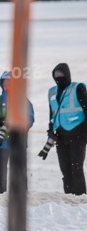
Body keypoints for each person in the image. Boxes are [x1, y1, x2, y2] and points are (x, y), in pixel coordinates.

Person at [0, 70, 35, 194]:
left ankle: (21, 196)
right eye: (5, 83)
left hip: (18, 142)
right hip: (0, 143)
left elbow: (30, 118)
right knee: (0, 174)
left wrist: (16, 124)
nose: (7, 86)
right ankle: (0, 196)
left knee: (18, 172)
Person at [47, 63, 87, 195]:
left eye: (61, 74)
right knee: (65, 169)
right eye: (56, 74)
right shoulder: (52, 91)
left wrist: (85, 132)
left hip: (77, 135)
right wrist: (51, 130)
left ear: (67, 74)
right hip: (60, 136)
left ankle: (80, 197)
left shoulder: (78, 88)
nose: (58, 77)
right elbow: (52, 113)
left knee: (76, 168)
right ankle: (69, 197)